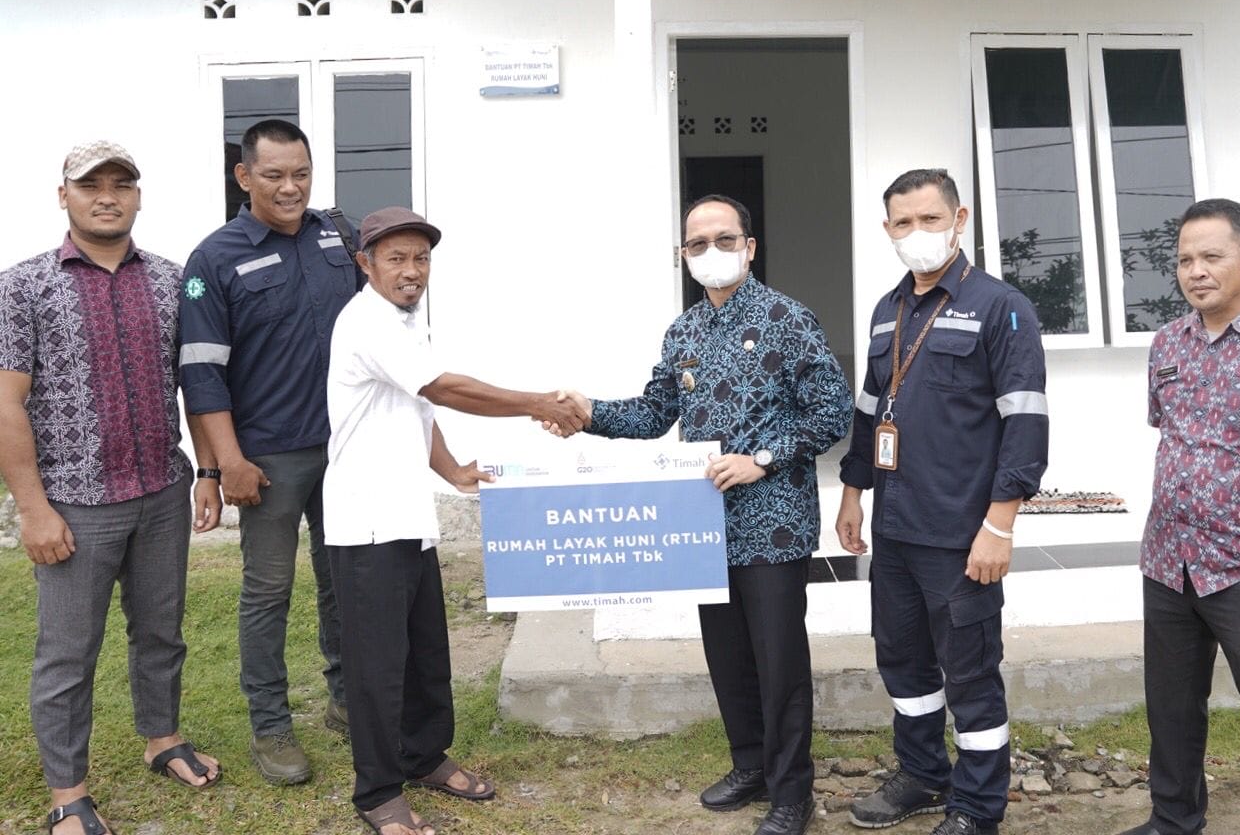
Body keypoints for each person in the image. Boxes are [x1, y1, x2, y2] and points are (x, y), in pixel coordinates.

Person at [559, 194, 852, 835]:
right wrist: (589, 413)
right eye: (697, 244)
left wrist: (762, 459)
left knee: (779, 663)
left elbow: (832, 412)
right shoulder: (683, 332)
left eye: (724, 240)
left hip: (773, 524)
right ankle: (751, 765)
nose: (711, 252)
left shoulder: (787, 319)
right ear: (683, 255)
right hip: (703, 527)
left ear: (750, 246)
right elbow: (654, 412)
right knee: (728, 656)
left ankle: (791, 793)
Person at [323, 206, 587, 835]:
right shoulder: (367, 321)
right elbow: (443, 389)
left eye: (421, 258)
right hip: (367, 523)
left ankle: (423, 757)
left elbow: (418, 405)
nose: (412, 270)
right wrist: (538, 403)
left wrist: (452, 471)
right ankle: (378, 791)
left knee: (424, 652)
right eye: (396, 259)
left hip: (408, 516)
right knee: (377, 666)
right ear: (365, 264)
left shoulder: (406, 321)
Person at [0, 141, 222, 835]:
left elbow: (196, 383)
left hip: (161, 489)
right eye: (90, 184)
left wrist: (209, 470)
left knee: (161, 630)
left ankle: (162, 739)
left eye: (121, 184)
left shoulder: (171, 280)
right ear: (62, 195)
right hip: (75, 501)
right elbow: (6, 402)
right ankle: (68, 794)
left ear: (138, 197)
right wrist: (33, 509)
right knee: (68, 654)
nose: (107, 196)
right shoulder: (22, 286)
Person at [836, 169, 1047, 835]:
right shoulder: (887, 310)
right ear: (887, 229)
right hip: (896, 530)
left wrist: (999, 527)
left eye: (930, 219)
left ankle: (978, 807)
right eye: (903, 223)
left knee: (970, 674)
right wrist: (852, 494)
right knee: (902, 661)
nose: (917, 233)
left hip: (961, 534)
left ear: (959, 220)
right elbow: (869, 413)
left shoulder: (1001, 307)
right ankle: (924, 774)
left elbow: (1025, 423)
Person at [1117, 199, 1240, 835]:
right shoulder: (1167, 344)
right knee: (1172, 710)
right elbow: (1174, 435)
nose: (1195, 271)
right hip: (1168, 561)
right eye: (1184, 260)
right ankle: (1173, 820)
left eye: (1211, 256)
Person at [178, 119, 358, 784]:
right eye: (275, 175)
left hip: (346, 448)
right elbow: (201, 373)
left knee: (345, 579)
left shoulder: (338, 236)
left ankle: (347, 700)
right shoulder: (213, 259)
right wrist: (227, 462)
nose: (290, 188)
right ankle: (272, 726)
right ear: (244, 176)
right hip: (268, 459)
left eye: (301, 174)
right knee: (268, 591)